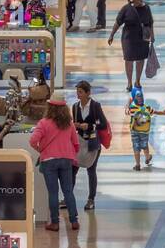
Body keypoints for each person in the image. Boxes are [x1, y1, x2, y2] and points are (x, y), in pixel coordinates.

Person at [28, 98, 80, 231]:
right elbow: (76, 143)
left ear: (50, 108)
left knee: (53, 192)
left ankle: (55, 223)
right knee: (68, 191)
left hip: (49, 160)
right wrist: (68, 152)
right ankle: (74, 221)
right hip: (66, 160)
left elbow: (33, 140)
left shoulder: (44, 123)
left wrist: (40, 149)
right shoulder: (69, 123)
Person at [71, 79, 108, 211]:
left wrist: (90, 125)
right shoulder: (75, 107)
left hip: (93, 143)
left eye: (80, 92)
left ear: (88, 93)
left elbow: (103, 124)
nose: (78, 94)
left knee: (91, 170)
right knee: (73, 169)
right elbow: (74, 123)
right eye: (77, 92)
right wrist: (75, 125)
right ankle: (68, 196)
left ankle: (91, 199)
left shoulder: (95, 106)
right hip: (79, 142)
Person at [109, 0, 155, 89]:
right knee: (128, 59)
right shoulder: (126, 8)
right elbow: (118, 22)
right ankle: (129, 82)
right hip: (128, 38)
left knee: (140, 59)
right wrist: (112, 34)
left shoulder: (146, 8)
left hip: (143, 38)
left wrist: (152, 36)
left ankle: (137, 80)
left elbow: (150, 23)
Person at [125, 84, 163, 171]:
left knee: (136, 147)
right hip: (145, 131)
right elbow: (156, 112)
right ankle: (147, 158)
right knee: (145, 145)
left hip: (134, 130)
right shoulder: (147, 108)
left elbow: (126, 112)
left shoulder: (132, 108)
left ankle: (138, 165)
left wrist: (128, 104)